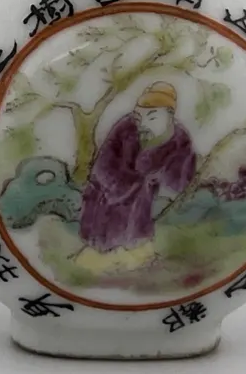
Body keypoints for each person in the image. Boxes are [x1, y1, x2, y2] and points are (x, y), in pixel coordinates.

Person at [75, 81, 195, 274]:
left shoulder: (180, 140)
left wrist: (158, 179)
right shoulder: (125, 127)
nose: (143, 123)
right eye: (139, 116)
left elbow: (180, 180)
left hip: (144, 200)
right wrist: (120, 185)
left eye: (152, 116)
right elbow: (104, 162)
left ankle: (134, 256)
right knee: (103, 228)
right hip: (110, 189)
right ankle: (100, 258)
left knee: (137, 227)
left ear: (169, 115)